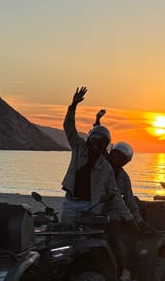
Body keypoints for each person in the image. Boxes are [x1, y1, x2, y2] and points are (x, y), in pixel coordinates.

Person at [59, 87, 134, 226]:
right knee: (62, 236)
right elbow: (68, 127)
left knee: (87, 242)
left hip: (90, 206)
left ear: (104, 146)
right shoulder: (79, 148)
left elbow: (116, 194)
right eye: (94, 141)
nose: (96, 145)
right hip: (70, 202)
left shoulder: (105, 167)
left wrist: (129, 218)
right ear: (89, 139)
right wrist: (73, 106)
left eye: (100, 143)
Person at [106, 140, 142, 281]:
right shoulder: (98, 167)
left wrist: (138, 219)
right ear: (111, 152)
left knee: (115, 237)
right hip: (89, 209)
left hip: (112, 214)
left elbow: (130, 200)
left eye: (123, 159)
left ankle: (123, 269)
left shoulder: (123, 177)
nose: (118, 160)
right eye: (116, 155)